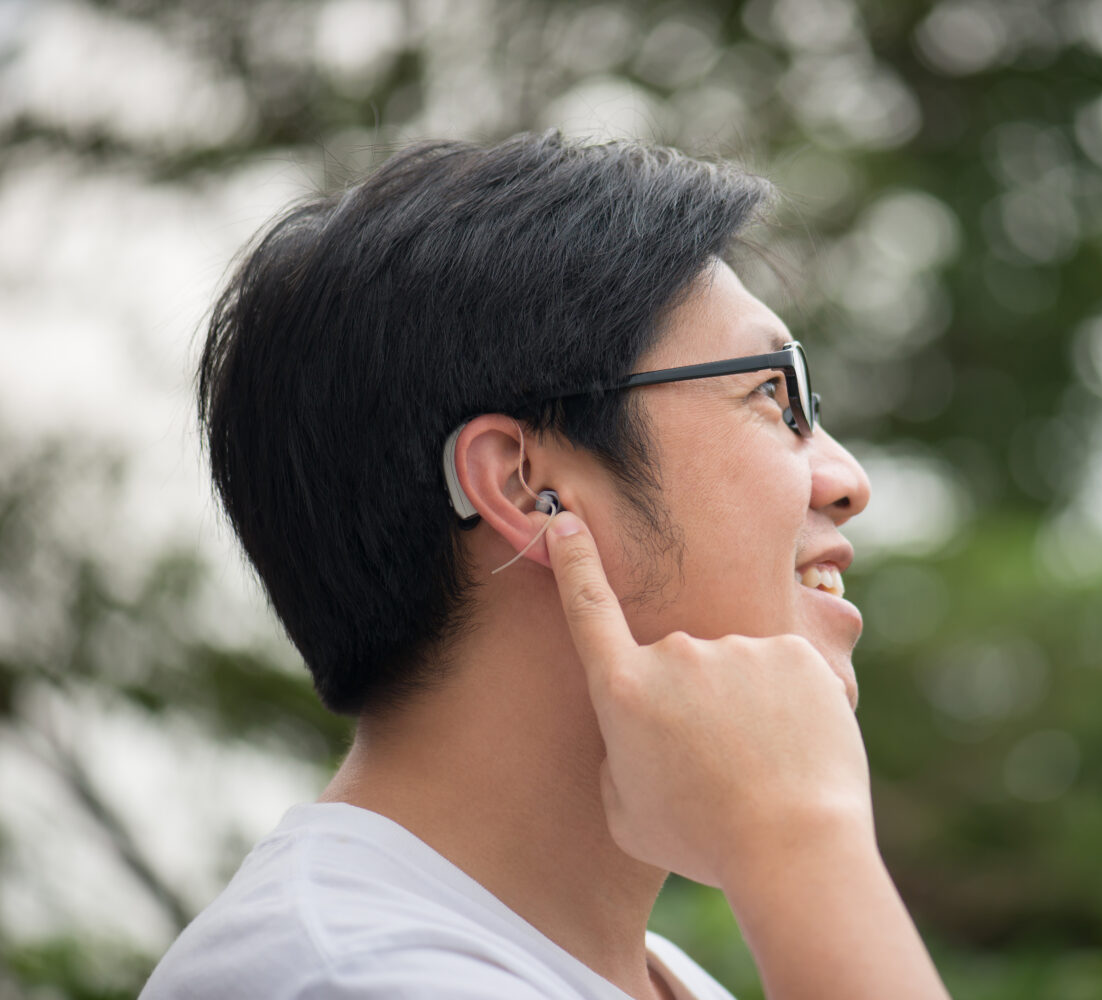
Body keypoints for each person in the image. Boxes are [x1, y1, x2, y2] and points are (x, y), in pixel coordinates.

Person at [141, 132, 951, 999]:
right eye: (773, 394)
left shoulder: (658, 977)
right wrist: (801, 839)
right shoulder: (345, 976)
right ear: (527, 486)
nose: (847, 480)